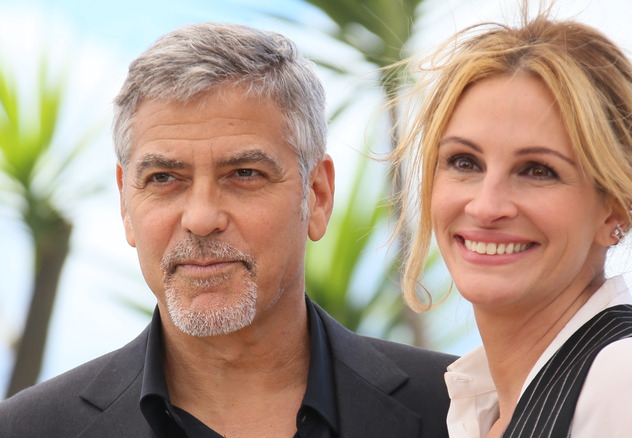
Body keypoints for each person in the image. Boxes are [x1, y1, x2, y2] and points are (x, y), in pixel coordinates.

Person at [0, 22, 454, 438]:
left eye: (244, 174)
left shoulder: (464, 413)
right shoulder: (29, 429)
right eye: (163, 179)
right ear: (125, 201)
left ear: (316, 195)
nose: (200, 218)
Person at [392, 11, 632, 438]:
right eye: (464, 162)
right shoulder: (472, 410)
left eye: (537, 170)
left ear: (616, 208)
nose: (486, 207)